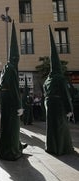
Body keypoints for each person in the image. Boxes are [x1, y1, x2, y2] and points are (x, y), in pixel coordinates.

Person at [0, 21, 27, 161]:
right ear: (16, 57)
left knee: (6, 127)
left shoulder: (4, 68)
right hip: (10, 103)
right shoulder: (12, 69)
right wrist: (20, 106)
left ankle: (15, 146)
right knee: (12, 127)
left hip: (4, 101)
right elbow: (15, 89)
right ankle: (12, 150)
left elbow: (0, 86)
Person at [43, 26, 74, 155]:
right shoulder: (60, 78)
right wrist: (69, 110)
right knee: (61, 128)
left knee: (51, 128)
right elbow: (65, 94)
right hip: (60, 106)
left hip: (50, 106)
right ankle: (62, 148)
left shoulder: (47, 79)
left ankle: (51, 147)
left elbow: (45, 94)